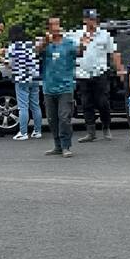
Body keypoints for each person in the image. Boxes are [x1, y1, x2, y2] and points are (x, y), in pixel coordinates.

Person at [73, 9, 125, 143]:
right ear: (85, 20)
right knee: (86, 103)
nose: (93, 22)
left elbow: (114, 53)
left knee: (102, 102)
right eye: (91, 19)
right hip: (83, 75)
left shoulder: (104, 34)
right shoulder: (77, 34)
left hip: (100, 74)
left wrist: (119, 69)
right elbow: (75, 53)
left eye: (95, 19)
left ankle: (106, 126)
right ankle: (91, 132)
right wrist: (83, 42)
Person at [36, 17, 77, 158]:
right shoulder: (45, 44)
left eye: (57, 25)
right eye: (52, 25)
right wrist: (45, 41)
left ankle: (66, 146)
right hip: (49, 87)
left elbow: (79, 53)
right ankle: (57, 145)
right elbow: (36, 52)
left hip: (65, 87)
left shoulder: (69, 43)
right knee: (52, 119)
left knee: (64, 117)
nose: (55, 28)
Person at [5, 24, 43, 141]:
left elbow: (9, 63)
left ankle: (23, 132)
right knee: (35, 105)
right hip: (34, 77)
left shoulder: (13, 47)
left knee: (23, 107)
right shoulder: (30, 45)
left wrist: (3, 60)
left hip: (21, 78)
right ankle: (37, 131)